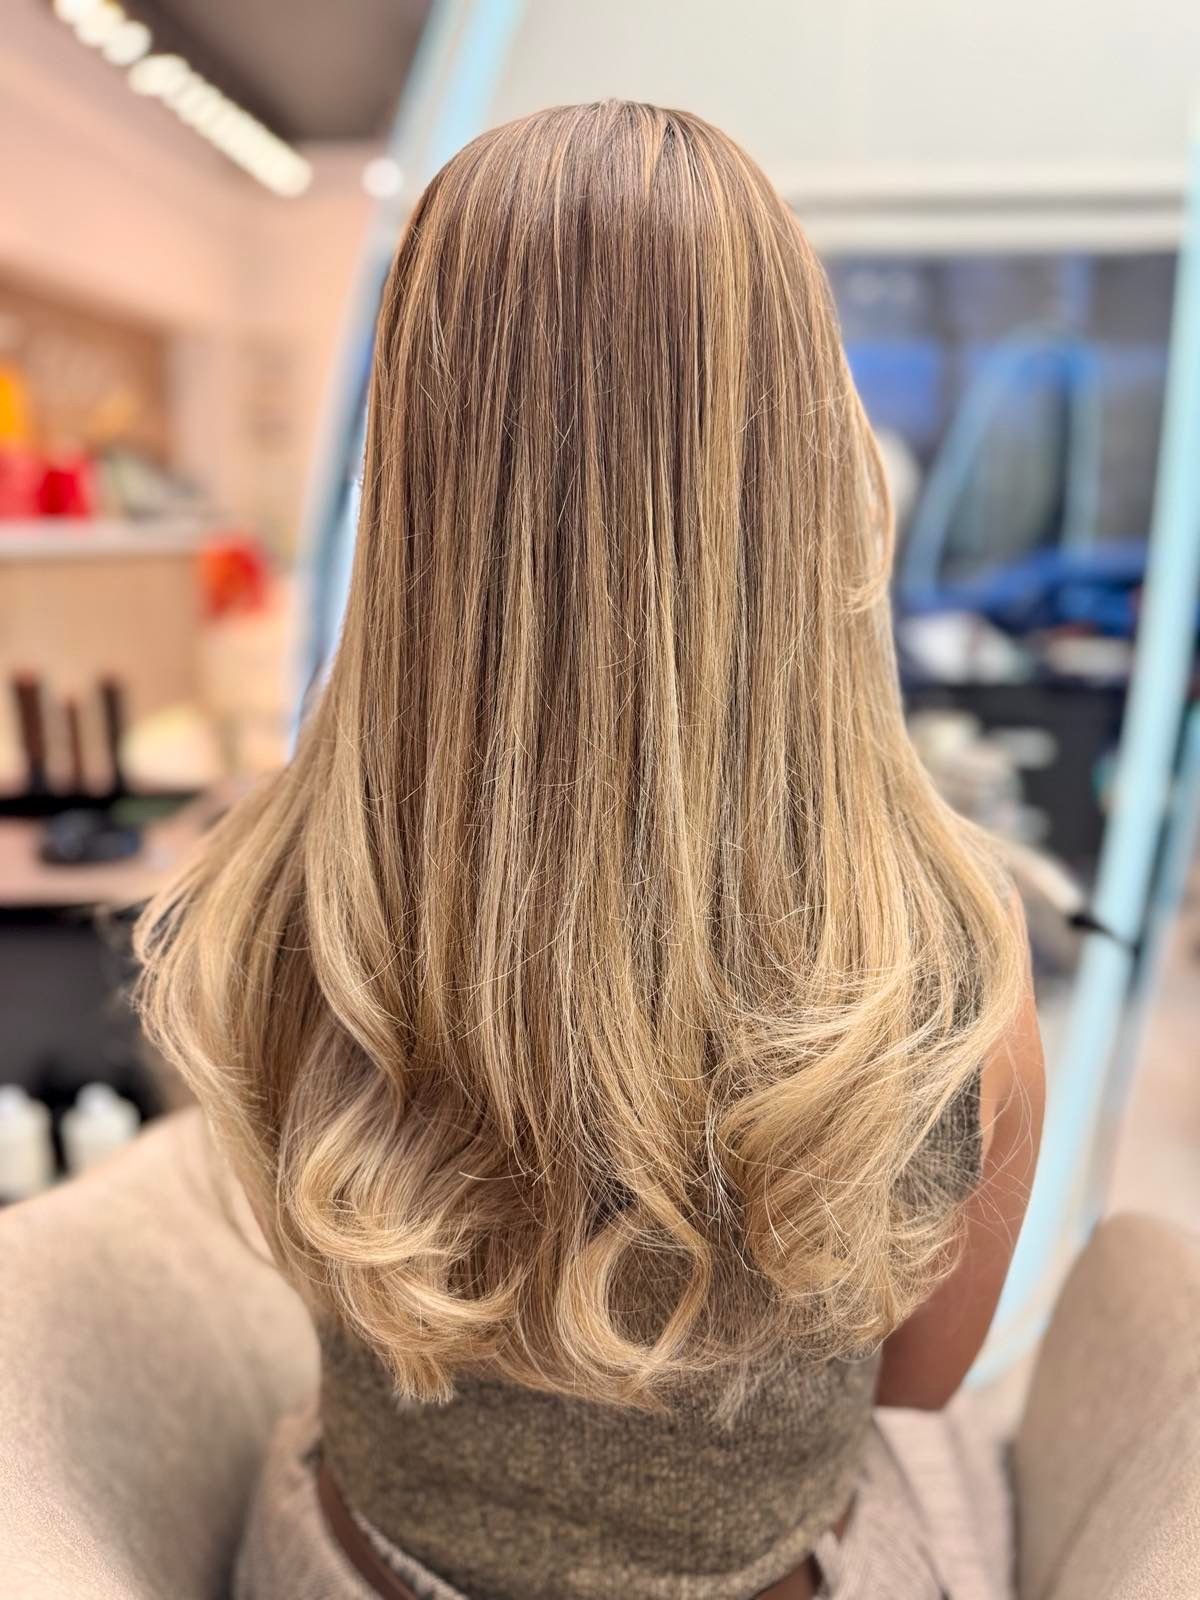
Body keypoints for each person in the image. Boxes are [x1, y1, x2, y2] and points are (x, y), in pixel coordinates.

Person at [134, 100, 1045, 1600]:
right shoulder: (942, 951)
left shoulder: (280, 905)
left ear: (419, 468)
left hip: (351, 1567)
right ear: (804, 465)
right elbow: (921, 1387)